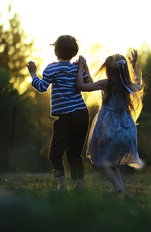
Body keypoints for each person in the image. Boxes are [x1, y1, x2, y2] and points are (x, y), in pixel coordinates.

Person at [27, 35, 92, 191]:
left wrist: (33, 73)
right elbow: (88, 83)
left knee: (55, 154)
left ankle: (62, 186)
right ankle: (79, 186)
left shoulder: (51, 68)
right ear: (74, 52)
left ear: (56, 51)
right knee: (75, 154)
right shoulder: (77, 68)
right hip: (82, 114)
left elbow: (42, 87)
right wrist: (84, 67)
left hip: (66, 117)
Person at [76, 50, 144, 195]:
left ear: (108, 70)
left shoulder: (106, 84)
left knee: (100, 162)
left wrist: (81, 66)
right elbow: (138, 84)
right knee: (111, 164)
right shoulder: (127, 86)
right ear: (124, 70)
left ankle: (117, 187)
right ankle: (122, 193)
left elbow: (82, 86)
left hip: (109, 129)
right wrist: (134, 66)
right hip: (126, 130)